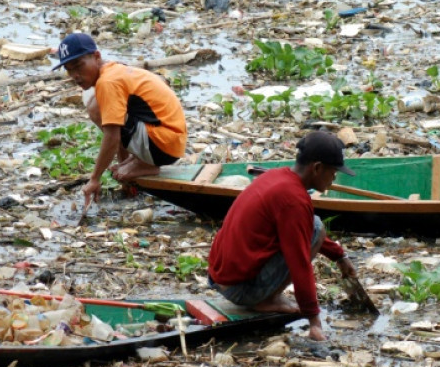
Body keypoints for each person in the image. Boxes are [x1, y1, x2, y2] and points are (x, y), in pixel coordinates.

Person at [207, 131, 359, 341]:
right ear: (317, 168)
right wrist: (314, 321)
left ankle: (266, 296)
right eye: (333, 171)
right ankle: (268, 300)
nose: (334, 178)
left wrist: (339, 256)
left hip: (219, 278)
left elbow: (301, 228)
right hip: (240, 290)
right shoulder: (293, 199)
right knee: (317, 227)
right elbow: (299, 263)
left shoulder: (277, 176)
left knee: (313, 225)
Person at [52, 33, 187, 207]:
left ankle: (146, 163)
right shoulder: (114, 69)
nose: (75, 75)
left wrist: (94, 179)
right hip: (169, 140)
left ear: (97, 56)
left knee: (98, 109)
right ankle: (137, 161)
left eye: (79, 66)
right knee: (96, 105)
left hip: (163, 146)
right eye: (70, 70)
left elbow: (112, 136)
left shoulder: (107, 81)